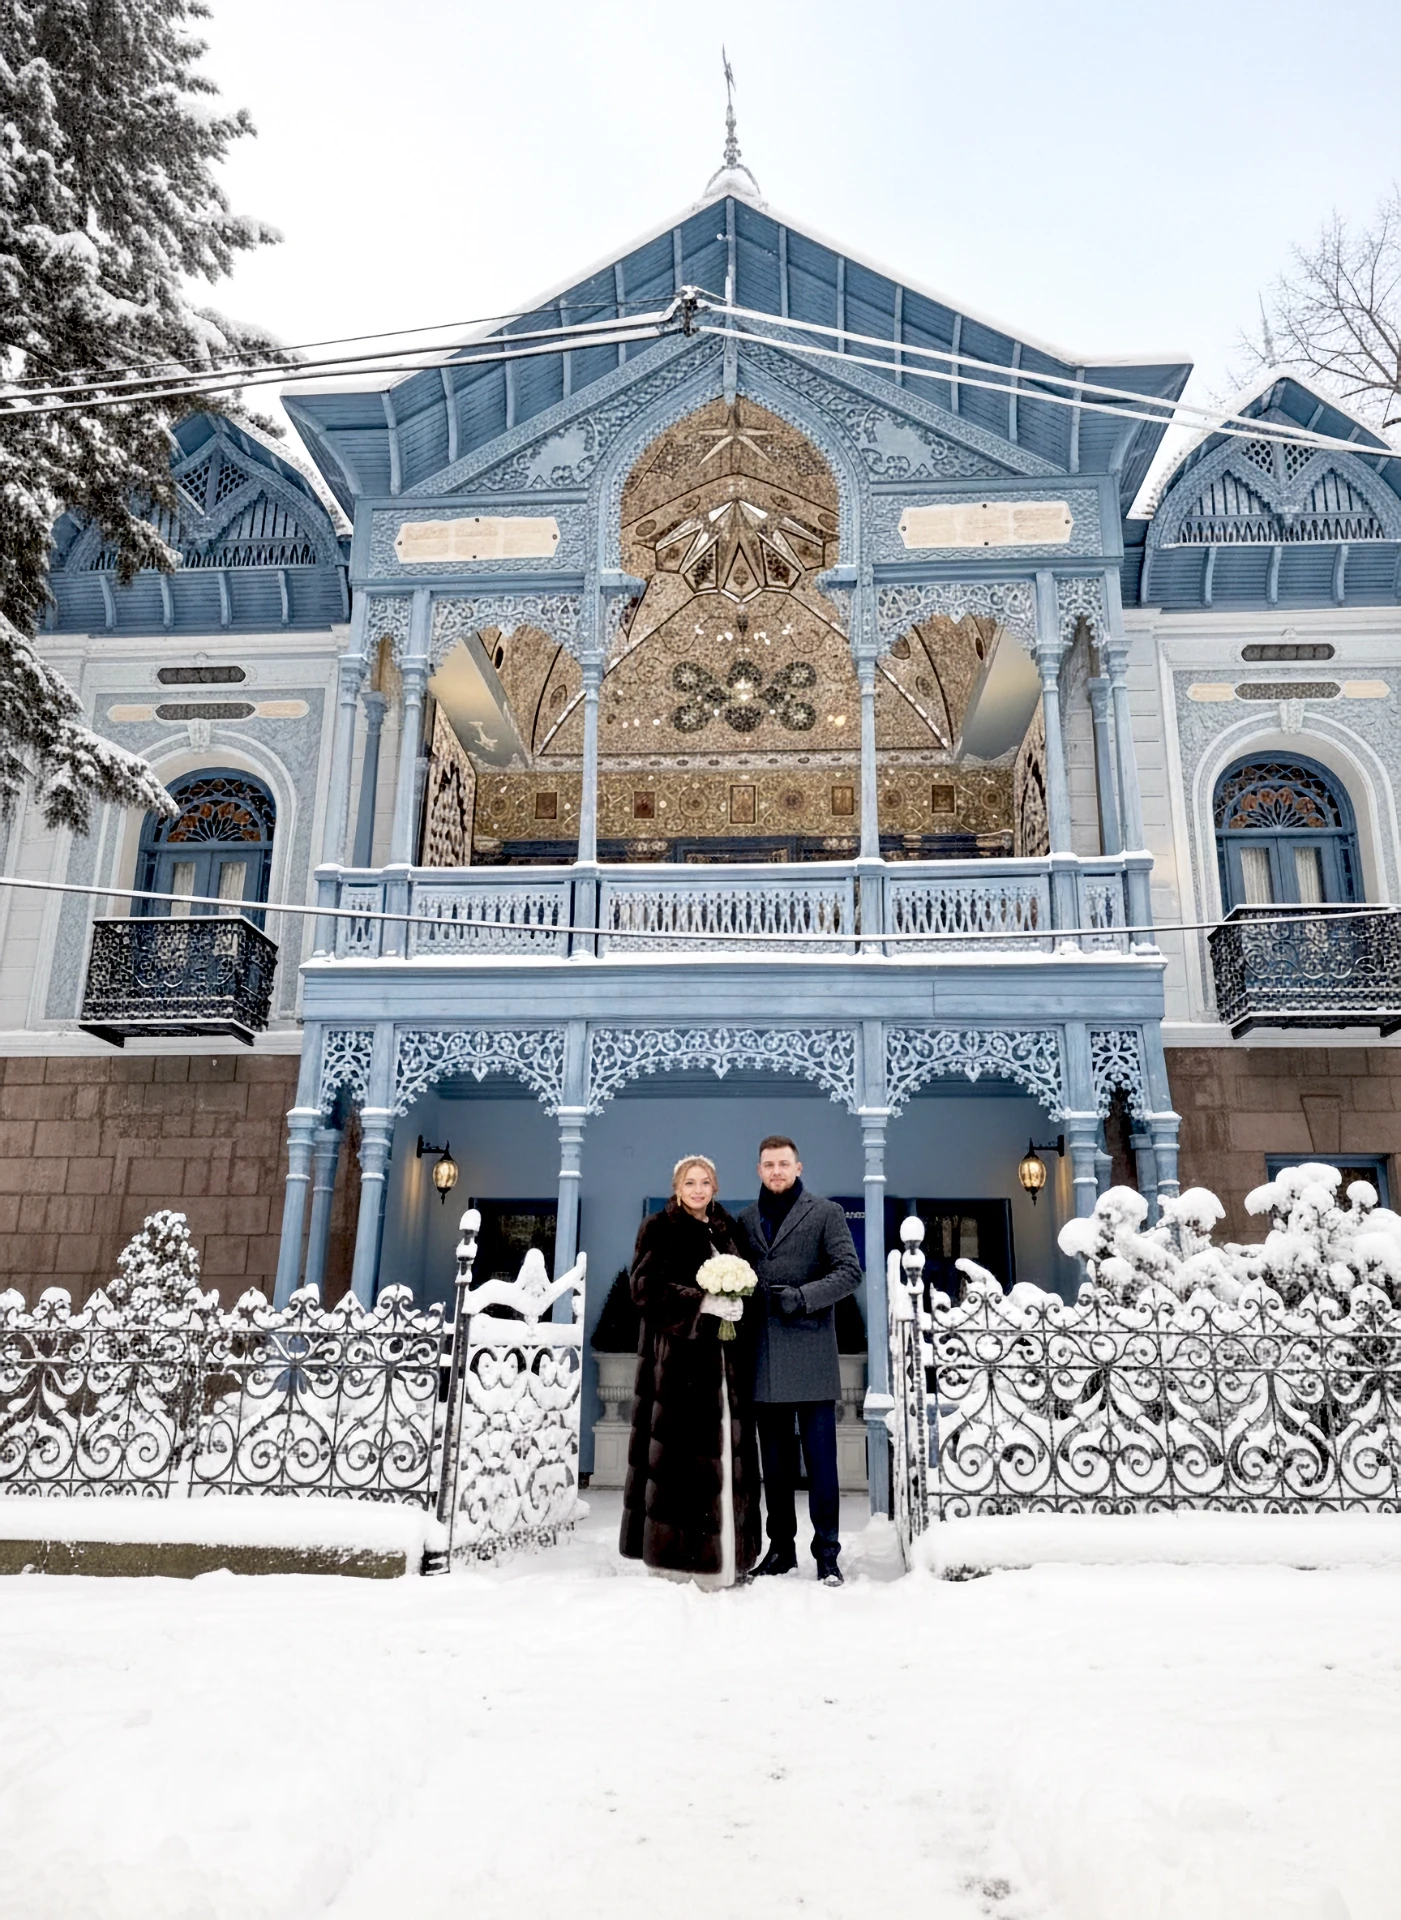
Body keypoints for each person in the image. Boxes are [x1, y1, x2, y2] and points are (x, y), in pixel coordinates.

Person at [619, 1155, 762, 1588]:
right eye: (689, 1182)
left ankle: (727, 1559)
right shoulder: (658, 1228)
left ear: (715, 1187)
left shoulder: (727, 1228)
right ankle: (677, 1559)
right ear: (677, 1187)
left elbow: (748, 1283)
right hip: (678, 1367)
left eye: (705, 1183)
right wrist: (701, 1303)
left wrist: (738, 1305)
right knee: (680, 1461)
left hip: (725, 1363)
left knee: (726, 1454)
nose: (698, 1190)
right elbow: (643, 1290)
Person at [739, 1135, 861, 1587]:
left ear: (798, 1167)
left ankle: (827, 1553)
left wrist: (805, 1297)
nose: (776, 1170)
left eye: (783, 1163)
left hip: (810, 1354)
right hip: (764, 1358)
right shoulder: (746, 1220)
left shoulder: (825, 1213)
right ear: (759, 1170)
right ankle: (781, 1549)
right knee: (775, 1466)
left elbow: (850, 1272)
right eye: (768, 1163)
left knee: (821, 1465)